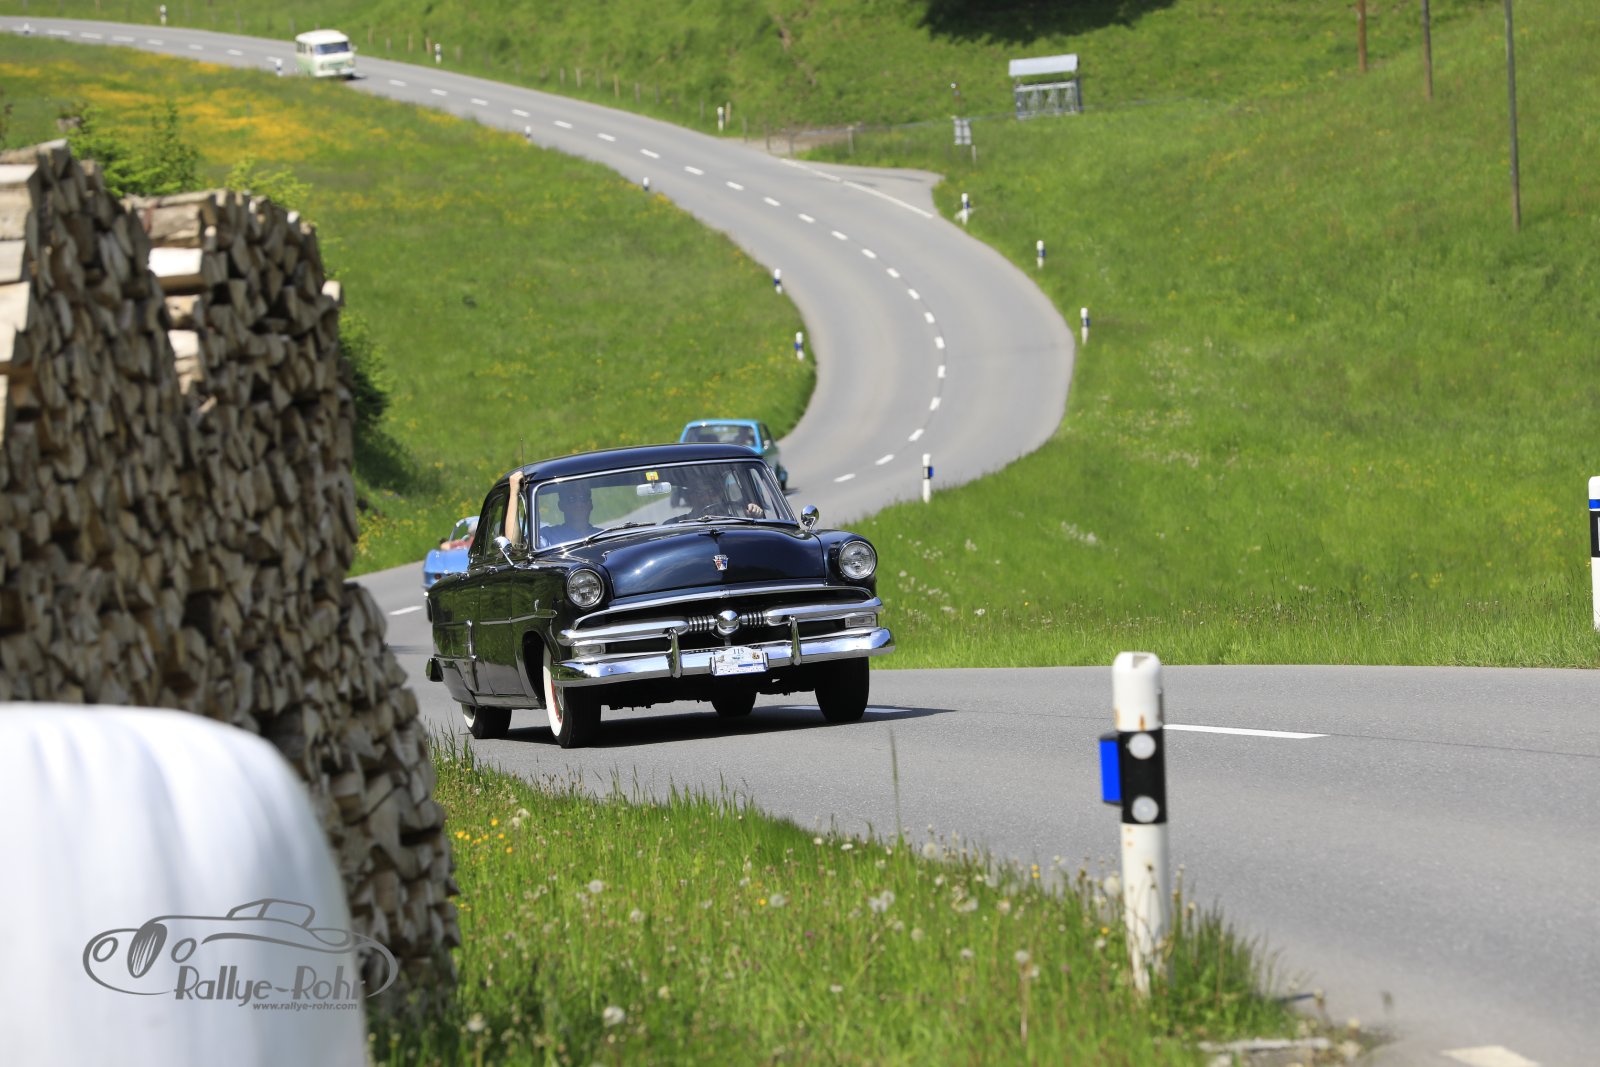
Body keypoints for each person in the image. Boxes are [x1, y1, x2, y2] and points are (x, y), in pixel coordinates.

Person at [679, 468, 763, 519]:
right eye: (700, 494)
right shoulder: (679, 524)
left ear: (721, 494)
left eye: (712, 492)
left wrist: (755, 514)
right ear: (691, 497)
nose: (707, 498)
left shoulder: (738, 520)